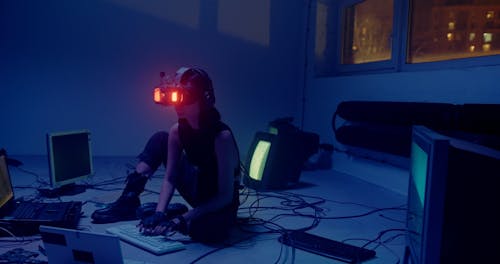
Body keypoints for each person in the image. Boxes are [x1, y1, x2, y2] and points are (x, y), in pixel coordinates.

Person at [91, 67, 241, 243]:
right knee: (160, 138)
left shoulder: (221, 137)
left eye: (187, 98)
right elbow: (170, 178)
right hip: (197, 188)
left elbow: (225, 196)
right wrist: (159, 214)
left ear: (204, 99)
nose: (179, 104)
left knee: (204, 233)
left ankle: (182, 214)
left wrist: (182, 219)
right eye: (177, 97)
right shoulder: (177, 131)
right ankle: (128, 200)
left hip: (220, 201)